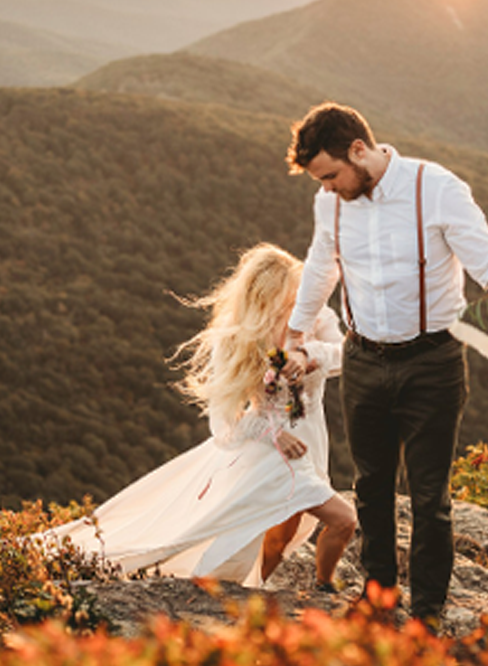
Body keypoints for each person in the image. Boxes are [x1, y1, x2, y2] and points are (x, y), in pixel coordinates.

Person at [281, 103, 488, 624]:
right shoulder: (330, 205)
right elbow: (322, 267)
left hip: (431, 361)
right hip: (363, 358)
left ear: (358, 151)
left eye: (330, 176)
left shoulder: (435, 188)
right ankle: (378, 596)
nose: (326, 188)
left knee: (430, 492)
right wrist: (294, 333)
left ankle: (429, 610)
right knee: (370, 486)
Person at [43, 243, 356, 591]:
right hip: (269, 451)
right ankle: (323, 589)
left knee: (282, 534)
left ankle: (260, 588)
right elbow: (223, 424)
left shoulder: (313, 317)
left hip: (311, 439)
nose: (296, 302)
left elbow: (346, 354)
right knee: (341, 519)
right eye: (288, 296)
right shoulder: (236, 339)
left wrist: (308, 354)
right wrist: (273, 435)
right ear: (265, 298)